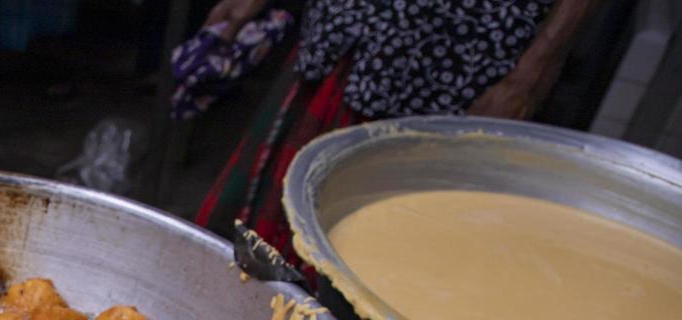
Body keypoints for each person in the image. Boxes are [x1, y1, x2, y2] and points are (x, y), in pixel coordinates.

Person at [196, 0, 604, 263]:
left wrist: (531, 73)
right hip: (351, 25)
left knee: (393, 244)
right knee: (272, 213)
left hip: (460, 54)